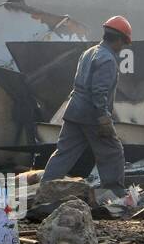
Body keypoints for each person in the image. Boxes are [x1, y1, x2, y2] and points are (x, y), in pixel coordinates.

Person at [40, 16, 132, 195]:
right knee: (112, 151)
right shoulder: (107, 60)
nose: (123, 47)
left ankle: (45, 187)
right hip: (92, 115)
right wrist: (103, 118)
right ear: (119, 39)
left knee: (64, 152)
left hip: (74, 111)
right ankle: (115, 192)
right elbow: (98, 91)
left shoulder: (89, 52)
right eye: (124, 43)